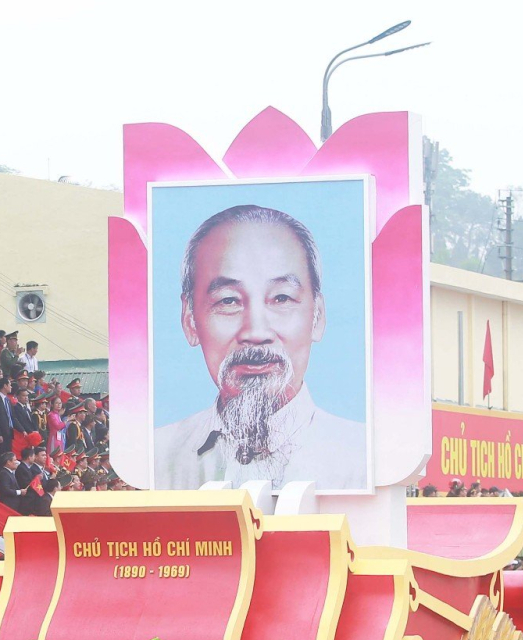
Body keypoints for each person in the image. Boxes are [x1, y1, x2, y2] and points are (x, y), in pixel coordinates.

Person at [151, 204, 366, 490]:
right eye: (228, 301)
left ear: (318, 316)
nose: (256, 332)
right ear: (190, 319)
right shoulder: (158, 456)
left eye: (281, 298)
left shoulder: (363, 459)